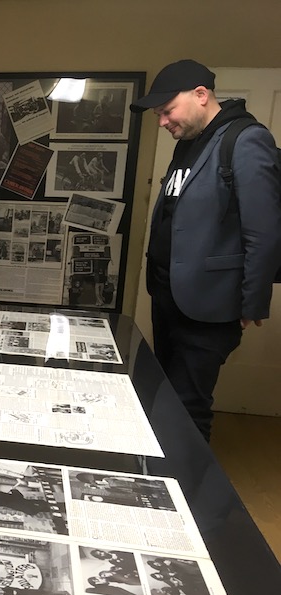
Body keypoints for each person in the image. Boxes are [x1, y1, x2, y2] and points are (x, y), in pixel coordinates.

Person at [130, 59, 281, 441]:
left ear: (201, 95)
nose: (162, 121)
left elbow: (264, 233)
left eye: (167, 111)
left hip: (209, 306)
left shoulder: (245, 140)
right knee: (165, 397)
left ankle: (190, 494)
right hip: (168, 298)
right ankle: (163, 479)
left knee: (188, 407)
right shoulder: (190, 143)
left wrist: (251, 303)